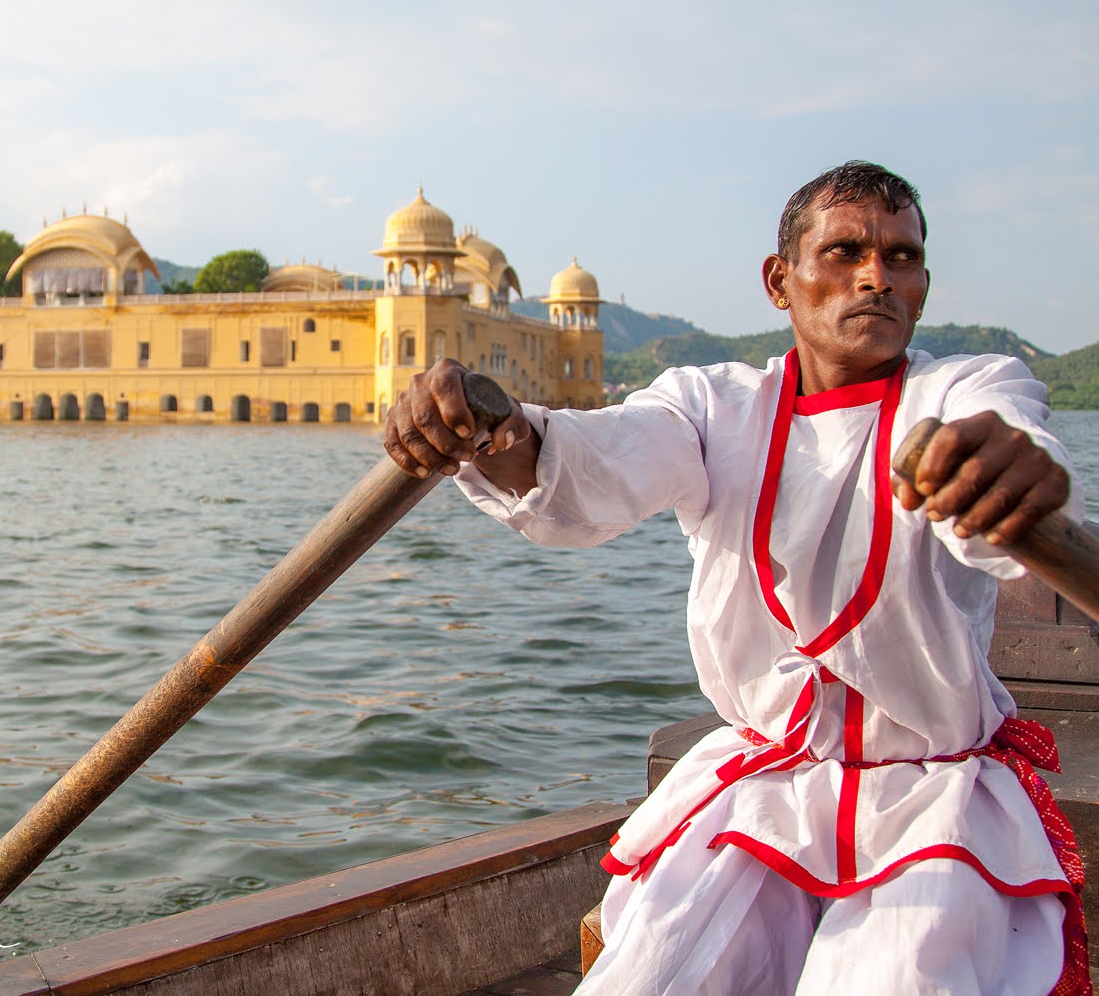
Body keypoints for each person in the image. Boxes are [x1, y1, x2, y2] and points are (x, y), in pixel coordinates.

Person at [383, 160, 1089, 995]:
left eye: (900, 258)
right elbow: (595, 462)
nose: (875, 276)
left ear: (924, 286)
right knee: (654, 975)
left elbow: (1014, 444)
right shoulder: (711, 406)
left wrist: (1012, 473)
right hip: (768, 782)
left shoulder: (968, 389)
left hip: (930, 794)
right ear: (779, 281)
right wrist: (490, 426)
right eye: (846, 251)